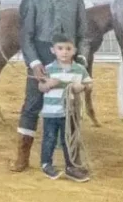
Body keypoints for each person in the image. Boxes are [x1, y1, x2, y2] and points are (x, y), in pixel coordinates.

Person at [10, 0, 90, 173]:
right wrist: (34, 62)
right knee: (32, 104)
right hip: (41, 55)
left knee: (70, 106)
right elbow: (25, 36)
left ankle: (72, 157)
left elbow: (83, 35)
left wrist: (80, 60)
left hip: (68, 58)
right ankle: (22, 156)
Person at [37, 35, 92, 182]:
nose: (64, 52)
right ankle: (46, 163)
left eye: (68, 49)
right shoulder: (48, 69)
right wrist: (48, 85)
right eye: (60, 48)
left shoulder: (79, 69)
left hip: (70, 112)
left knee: (69, 140)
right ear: (53, 50)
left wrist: (82, 87)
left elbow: (89, 84)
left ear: (74, 51)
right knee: (49, 138)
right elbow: (41, 87)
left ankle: (71, 166)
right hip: (51, 112)